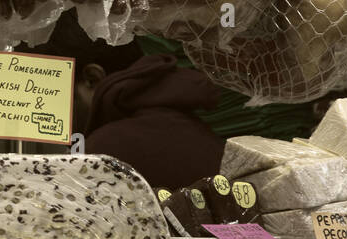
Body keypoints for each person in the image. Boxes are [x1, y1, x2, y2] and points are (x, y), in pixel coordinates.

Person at [27, 11, 226, 189]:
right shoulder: (193, 128)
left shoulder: (102, 153)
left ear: (92, 78)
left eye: (50, 97)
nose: (43, 114)